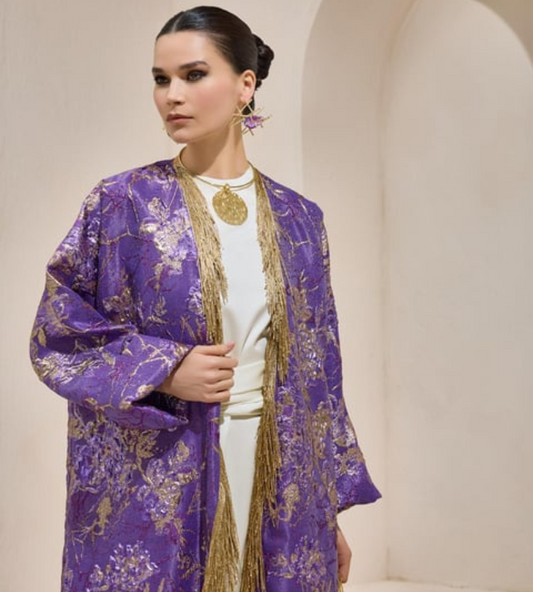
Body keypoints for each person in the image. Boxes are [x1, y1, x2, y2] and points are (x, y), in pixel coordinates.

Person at [30, 6, 381, 592]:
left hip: (278, 477)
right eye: (161, 78)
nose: (172, 95)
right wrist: (166, 368)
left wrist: (324, 511)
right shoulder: (123, 204)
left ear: (245, 84)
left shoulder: (299, 220)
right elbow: (58, 330)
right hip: (162, 477)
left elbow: (320, 370)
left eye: (193, 75)